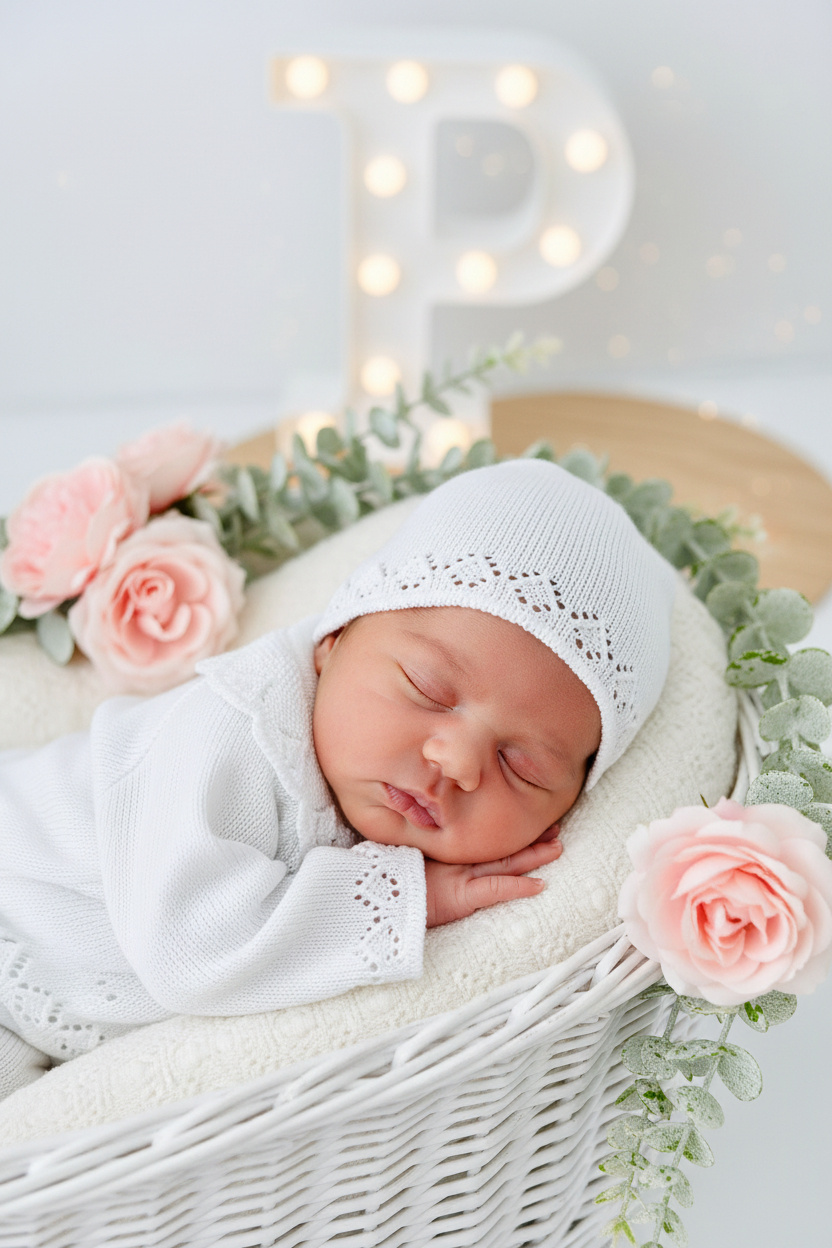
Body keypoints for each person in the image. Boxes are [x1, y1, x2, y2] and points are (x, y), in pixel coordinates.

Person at [0, 459, 676, 1097]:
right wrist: (403, 900)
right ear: (333, 642)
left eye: (521, 767)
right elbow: (189, 944)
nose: (459, 762)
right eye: (428, 690)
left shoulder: (378, 790)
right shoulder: (231, 731)